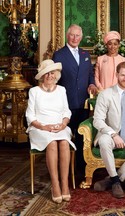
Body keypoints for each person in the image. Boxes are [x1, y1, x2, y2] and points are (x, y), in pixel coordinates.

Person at [26, 59, 76, 204]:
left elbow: (67, 111)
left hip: (60, 126)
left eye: (52, 73)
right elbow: (30, 115)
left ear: (56, 75)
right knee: (52, 143)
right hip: (39, 128)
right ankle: (55, 185)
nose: (49, 76)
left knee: (64, 143)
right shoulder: (34, 91)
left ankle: (65, 185)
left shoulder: (62, 90)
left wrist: (63, 124)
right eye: (46, 73)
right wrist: (44, 127)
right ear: (42, 76)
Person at [92, 62, 125, 199]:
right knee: (104, 142)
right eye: (122, 75)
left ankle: (113, 179)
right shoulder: (105, 94)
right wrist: (114, 134)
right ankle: (116, 182)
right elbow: (97, 120)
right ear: (116, 75)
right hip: (110, 131)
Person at [52, 24, 97, 175]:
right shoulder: (59, 55)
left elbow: (90, 73)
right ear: (67, 35)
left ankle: (80, 166)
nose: (75, 38)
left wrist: (91, 83)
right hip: (66, 102)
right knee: (65, 135)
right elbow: (54, 79)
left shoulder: (85, 54)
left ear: (81, 37)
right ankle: (65, 167)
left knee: (81, 135)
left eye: (78, 36)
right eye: (72, 35)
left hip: (82, 102)